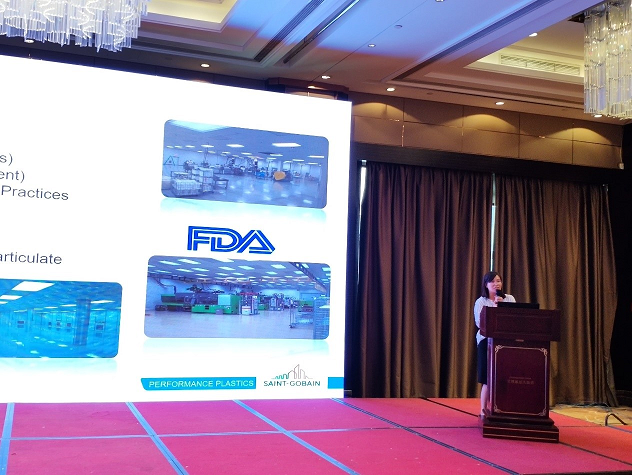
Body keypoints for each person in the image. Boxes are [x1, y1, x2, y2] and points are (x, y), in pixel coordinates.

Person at [473, 271, 516, 418]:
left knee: (505, 377)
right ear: (486, 285)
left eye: (498, 281)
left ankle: (504, 408)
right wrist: (495, 309)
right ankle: (483, 410)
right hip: (486, 341)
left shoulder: (509, 299)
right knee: (487, 377)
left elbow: (514, 320)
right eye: (492, 281)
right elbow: (480, 323)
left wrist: (503, 306)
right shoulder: (481, 302)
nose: (496, 284)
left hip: (505, 341)